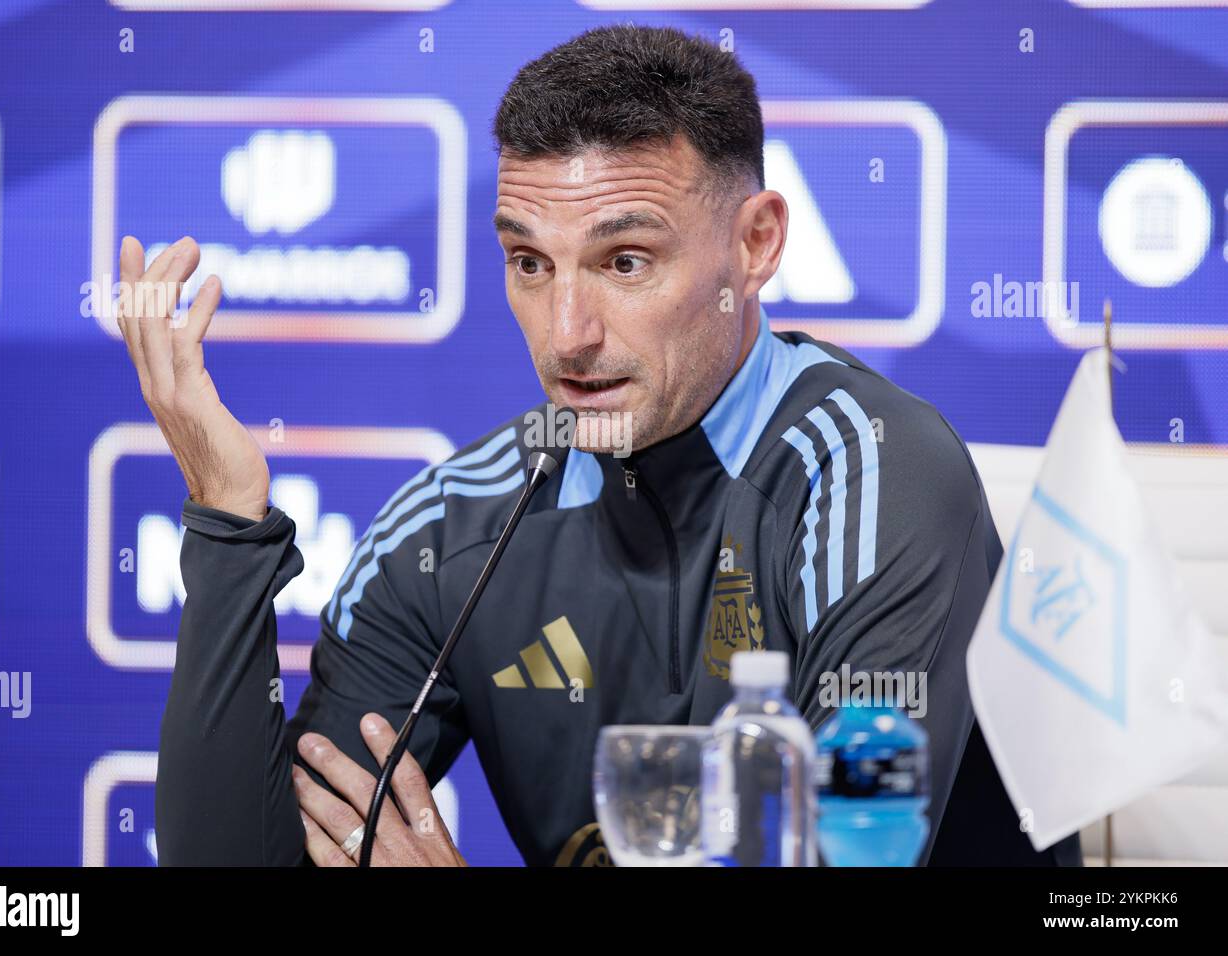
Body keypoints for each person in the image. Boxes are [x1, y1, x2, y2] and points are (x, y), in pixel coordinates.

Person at [116, 24, 1080, 867]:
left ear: (756, 244)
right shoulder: (453, 531)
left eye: (626, 261)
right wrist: (228, 520)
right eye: (529, 263)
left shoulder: (874, 470)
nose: (566, 332)